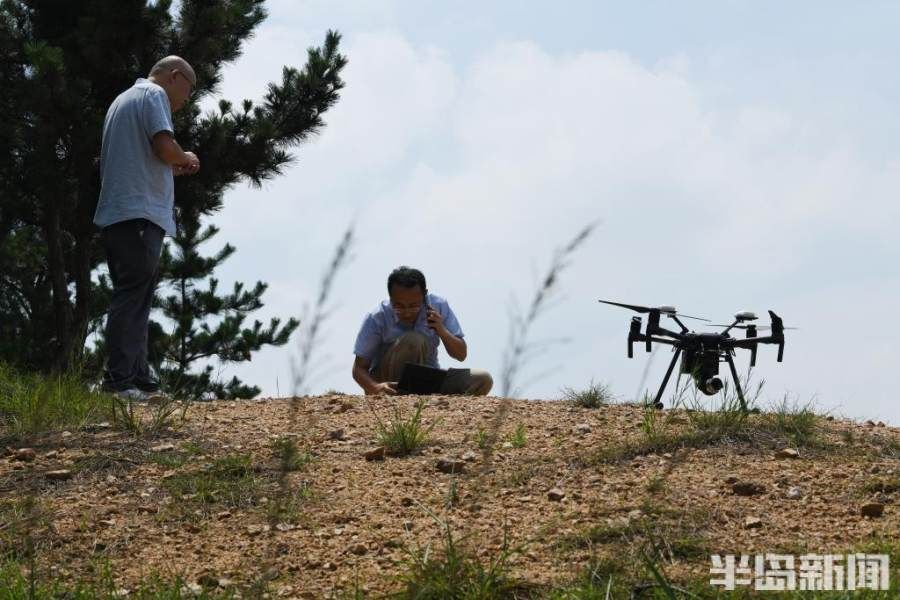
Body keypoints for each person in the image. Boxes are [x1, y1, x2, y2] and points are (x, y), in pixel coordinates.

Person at [93, 56, 201, 400]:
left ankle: (139, 377)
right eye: (188, 90)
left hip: (118, 212)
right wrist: (186, 158)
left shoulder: (121, 101)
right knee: (132, 294)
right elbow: (164, 146)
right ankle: (119, 380)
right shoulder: (153, 95)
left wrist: (171, 167)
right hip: (139, 213)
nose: (185, 100)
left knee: (136, 292)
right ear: (174, 77)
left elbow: (141, 158)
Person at [352, 266, 493, 396]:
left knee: (483, 379)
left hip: (429, 379)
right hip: (389, 382)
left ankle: (431, 402)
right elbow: (359, 368)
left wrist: (441, 330)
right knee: (414, 340)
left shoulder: (438, 306)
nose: (407, 313)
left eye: (413, 306)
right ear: (390, 297)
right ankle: (404, 399)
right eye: (399, 306)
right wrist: (375, 387)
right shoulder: (377, 317)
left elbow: (461, 354)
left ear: (424, 295)